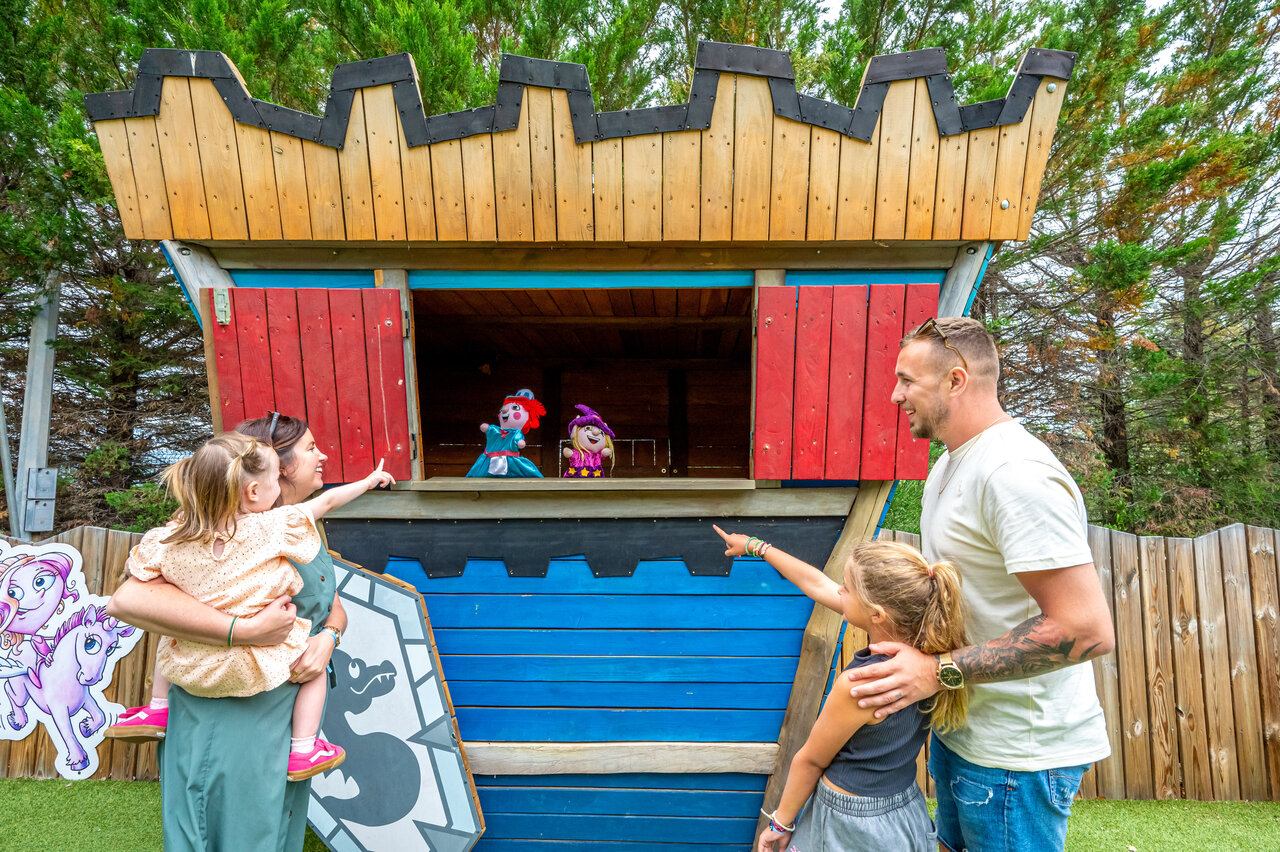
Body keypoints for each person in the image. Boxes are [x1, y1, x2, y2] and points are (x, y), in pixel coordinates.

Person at [843, 317, 1115, 852]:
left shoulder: (1015, 473)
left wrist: (937, 671)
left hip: (1017, 755)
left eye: (907, 380)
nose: (895, 395)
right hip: (967, 730)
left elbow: (1085, 631)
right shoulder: (949, 468)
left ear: (956, 380)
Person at [105, 414, 358, 851]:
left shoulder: (299, 526)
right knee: (231, 828)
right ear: (274, 468)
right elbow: (127, 600)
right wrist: (246, 630)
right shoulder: (213, 524)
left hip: (284, 707)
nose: (323, 456)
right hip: (231, 708)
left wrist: (328, 638)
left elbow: (329, 602)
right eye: (312, 448)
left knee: (275, 827)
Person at [713, 527, 968, 852]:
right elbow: (818, 584)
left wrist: (781, 822)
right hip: (904, 809)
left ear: (877, 614)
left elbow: (811, 761)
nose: (840, 591)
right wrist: (757, 547)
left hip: (849, 823)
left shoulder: (862, 685)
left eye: (847, 588)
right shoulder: (933, 657)